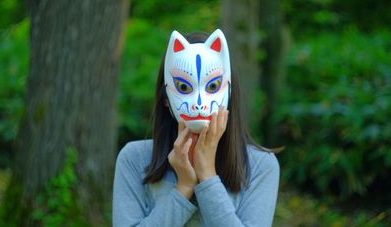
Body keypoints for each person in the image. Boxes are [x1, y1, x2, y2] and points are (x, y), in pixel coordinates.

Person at [113, 29, 280, 227]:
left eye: (212, 87)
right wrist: (183, 187)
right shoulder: (134, 159)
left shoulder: (260, 166)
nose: (199, 103)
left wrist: (207, 175)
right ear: (166, 98)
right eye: (184, 88)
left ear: (229, 91)